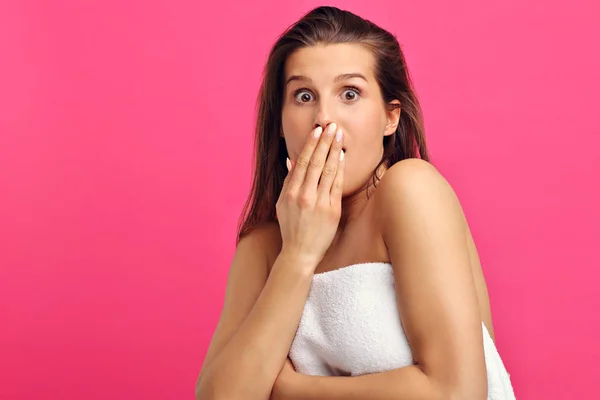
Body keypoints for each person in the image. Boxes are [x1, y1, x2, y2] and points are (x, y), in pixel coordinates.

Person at [195, 6, 515, 400]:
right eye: (304, 95)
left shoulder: (411, 190)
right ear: (280, 122)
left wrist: (292, 390)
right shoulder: (263, 245)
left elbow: (456, 392)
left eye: (350, 94)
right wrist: (297, 254)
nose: (324, 119)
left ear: (390, 118)